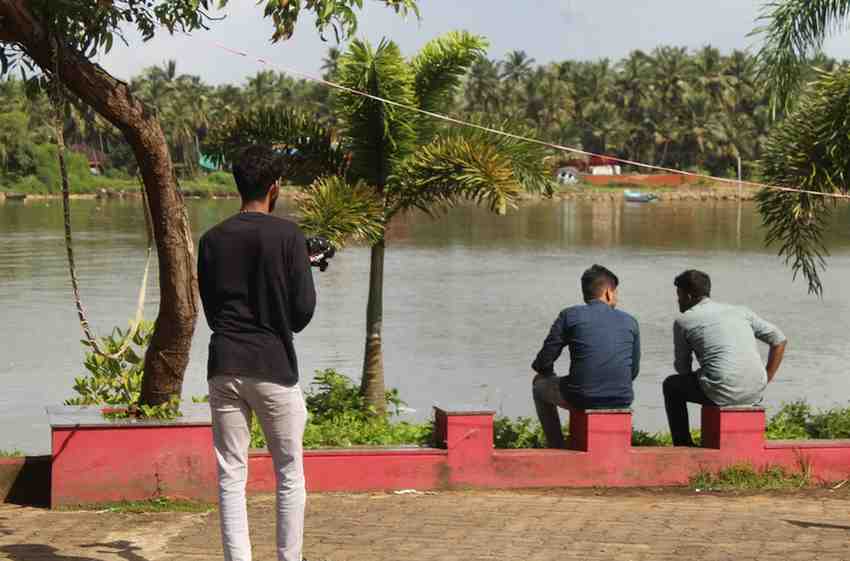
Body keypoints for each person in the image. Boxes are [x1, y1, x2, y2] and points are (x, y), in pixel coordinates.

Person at [198, 145, 316, 561]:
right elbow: (301, 315)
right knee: (288, 473)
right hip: (272, 367)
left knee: (231, 473)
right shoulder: (289, 237)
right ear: (275, 187)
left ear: (237, 185)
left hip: (224, 364)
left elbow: (213, 312)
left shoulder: (210, 240)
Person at [663, 270, 787, 447]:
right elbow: (779, 340)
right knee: (706, 378)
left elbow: (683, 369)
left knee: (671, 385)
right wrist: (766, 378)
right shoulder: (740, 311)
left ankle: (683, 445)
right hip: (755, 390)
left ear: (689, 296)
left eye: (679, 296)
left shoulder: (684, 321)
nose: (678, 301)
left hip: (721, 391)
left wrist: (704, 373)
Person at [531, 265, 641, 448]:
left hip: (581, 396)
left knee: (539, 386)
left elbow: (543, 361)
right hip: (623, 396)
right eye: (616, 293)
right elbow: (633, 371)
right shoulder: (630, 321)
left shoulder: (570, 315)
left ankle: (556, 446)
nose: (617, 298)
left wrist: (548, 374)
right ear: (608, 293)